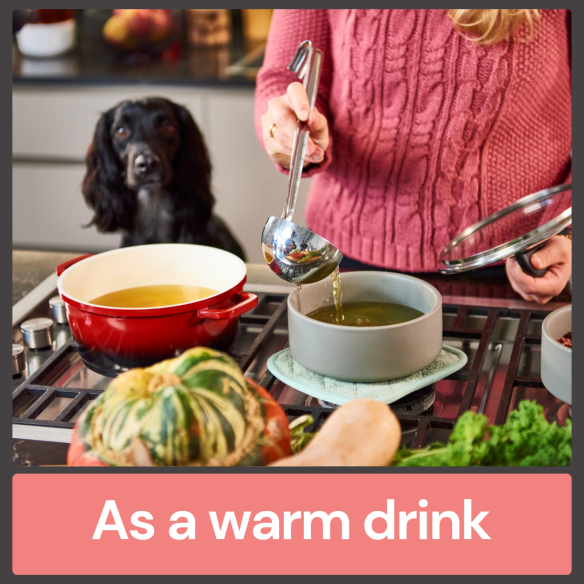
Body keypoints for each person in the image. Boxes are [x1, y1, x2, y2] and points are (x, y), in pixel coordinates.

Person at [254, 9, 571, 304]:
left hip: (520, 261)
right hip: (342, 258)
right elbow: (284, 78)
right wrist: (286, 131)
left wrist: (570, 233)